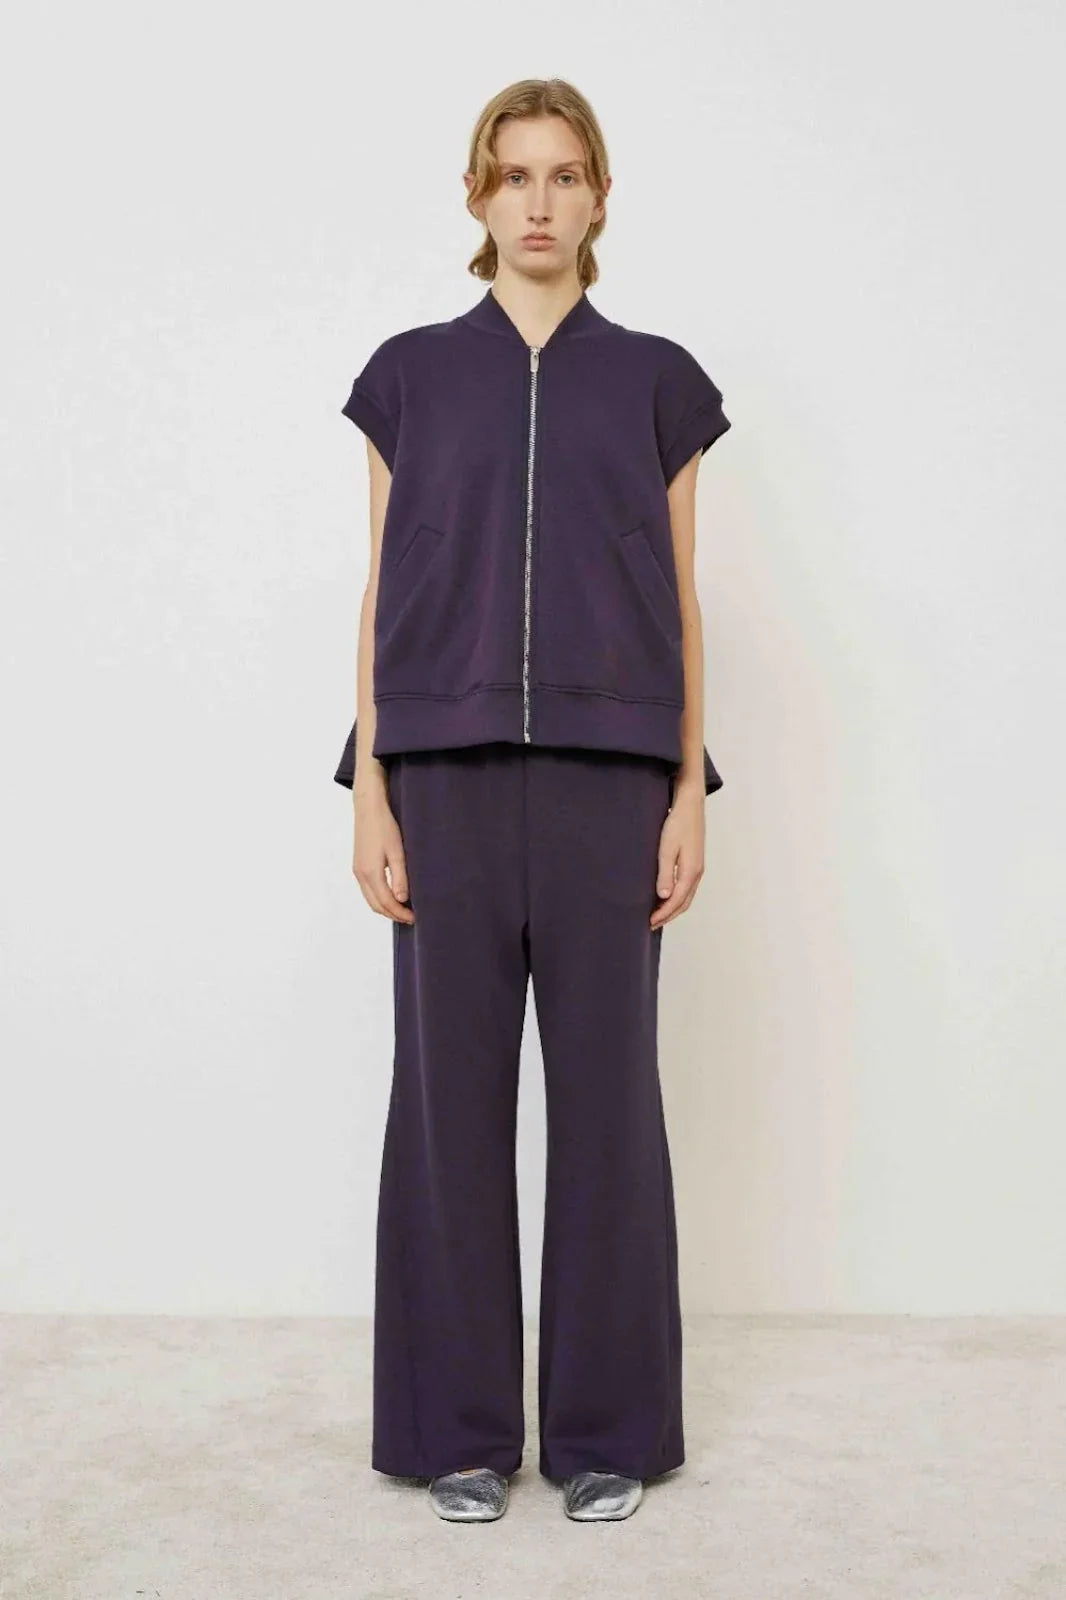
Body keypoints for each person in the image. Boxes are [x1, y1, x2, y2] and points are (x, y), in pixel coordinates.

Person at [333, 78, 731, 1524]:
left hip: (607, 785)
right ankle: (454, 1431)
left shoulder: (657, 383)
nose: (540, 202)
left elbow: (682, 596)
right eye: (515, 176)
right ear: (478, 197)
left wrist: (686, 788)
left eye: (565, 176)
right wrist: (371, 787)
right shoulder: (407, 378)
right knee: (446, 1112)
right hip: (438, 777)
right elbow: (380, 589)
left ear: (600, 197)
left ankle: (606, 1431)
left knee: (610, 1109)